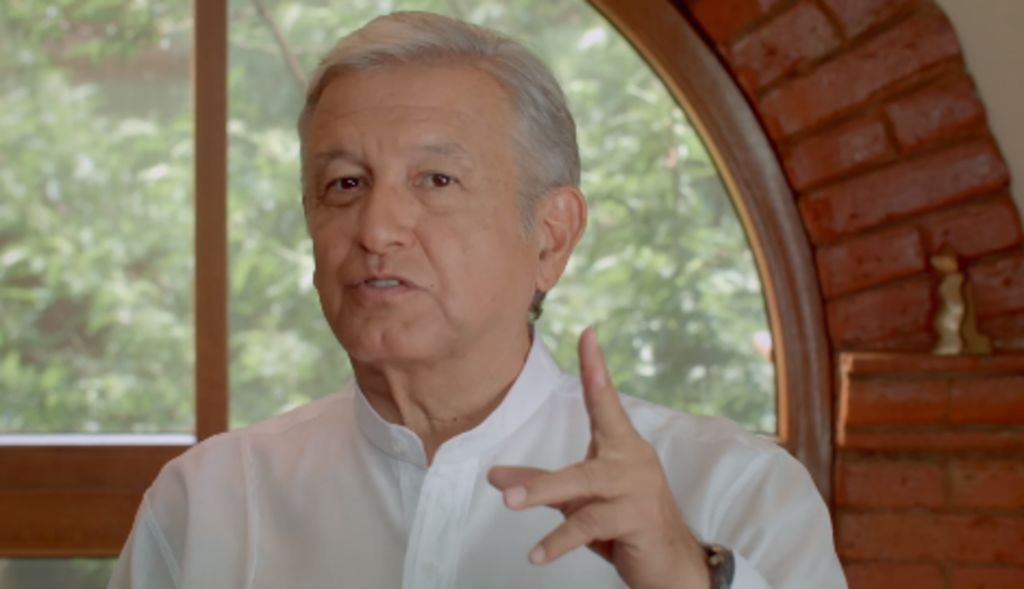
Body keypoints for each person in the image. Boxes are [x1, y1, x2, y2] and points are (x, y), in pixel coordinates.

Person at [108, 11, 847, 589]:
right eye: (345, 184)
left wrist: (689, 576)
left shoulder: (733, 490)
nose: (377, 228)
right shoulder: (208, 505)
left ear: (551, 237)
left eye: (437, 180)